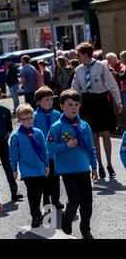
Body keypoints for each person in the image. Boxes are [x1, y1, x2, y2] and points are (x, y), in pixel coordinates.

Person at [47, 90, 98, 239]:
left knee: (87, 201)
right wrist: (66, 146)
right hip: (67, 170)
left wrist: (94, 166)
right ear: (62, 106)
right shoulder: (57, 126)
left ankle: (85, 231)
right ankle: (66, 218)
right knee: (75, 199)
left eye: (76, 104)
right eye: (70, 104)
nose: (74, 107)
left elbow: (91, 148)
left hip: (83, 168)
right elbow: (49, 148)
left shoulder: (84, 126)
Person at [71, 43, 123, 178]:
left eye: (79, 55)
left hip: (101, 100)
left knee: (106, 134)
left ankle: (109, 164)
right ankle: (99, 165)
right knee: (93, 135)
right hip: (87, 102)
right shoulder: (78, 70)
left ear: (86, 55)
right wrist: (71, 105)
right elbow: (74, 89)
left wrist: (118, 102)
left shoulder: (101, 66)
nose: (77, 58)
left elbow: (112, 85)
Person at [10, 104, 49, 228]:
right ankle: (35, 215)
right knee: (32, 193)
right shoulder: (16, 137)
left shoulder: (38, 133)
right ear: (19, 120)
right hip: (27, 169)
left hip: (40, 167)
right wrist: (14, 169)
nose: (29, 121)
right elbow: (14, 155)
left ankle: (36, 211)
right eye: (25, 118)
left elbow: (44, 150)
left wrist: (47, 165)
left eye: (31, 117)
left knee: (39, 192)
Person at [33, 86, 64, 209]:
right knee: (45, 178)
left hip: (55, 152)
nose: (50, 101)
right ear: (39, 101)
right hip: (42, 153)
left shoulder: (57, 115)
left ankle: (56, 200)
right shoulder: (34, 116)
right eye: (46, 99)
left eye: (51, 98)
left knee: (55, 178)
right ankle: (46, 200)